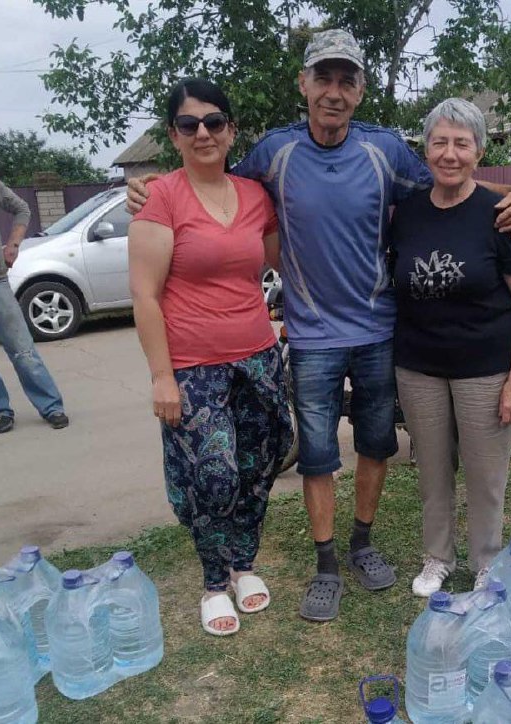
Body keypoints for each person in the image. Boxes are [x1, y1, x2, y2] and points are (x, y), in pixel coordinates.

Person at [128, 29, 511, 622]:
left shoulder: (386, 150)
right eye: (324, 78)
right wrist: (148, 187)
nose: (334, 92)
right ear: (305, 84)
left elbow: (454, 183)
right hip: (311, 336)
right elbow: (208, 172)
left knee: (375, 444)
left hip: (377, 331)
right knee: (316, 453)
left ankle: (362, 542)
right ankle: (325, 562)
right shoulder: (274, 153)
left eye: (347, 80)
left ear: (361, 89)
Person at [128, 78, 293, 636]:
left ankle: (244, 565)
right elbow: (144, 295)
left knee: (260, 464)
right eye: (189, 124)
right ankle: (213, 582)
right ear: (174, 136)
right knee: (214, 476)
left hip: (257, 357)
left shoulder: (253, 196)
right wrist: (161, 376)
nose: (203, 133)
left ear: (231, 131)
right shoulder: (162, 197)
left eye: (214, 122)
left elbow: (271, 266)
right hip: (194, 368)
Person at [388, 98, 511, 595]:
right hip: (418, 368)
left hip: (485, 369)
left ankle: (486, 562)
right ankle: (437, 558)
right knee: (432, 471)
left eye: (461, 143)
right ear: (425, 149)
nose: (449, 153)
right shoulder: (406, 214)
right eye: (439, 142)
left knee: (484, 473)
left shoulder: (500, 215)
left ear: (478, 151)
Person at [0, 172, 69, 433]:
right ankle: (0, 412)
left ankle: (51, 406)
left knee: (22, 350)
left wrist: (13, 245)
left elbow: (21, 209)